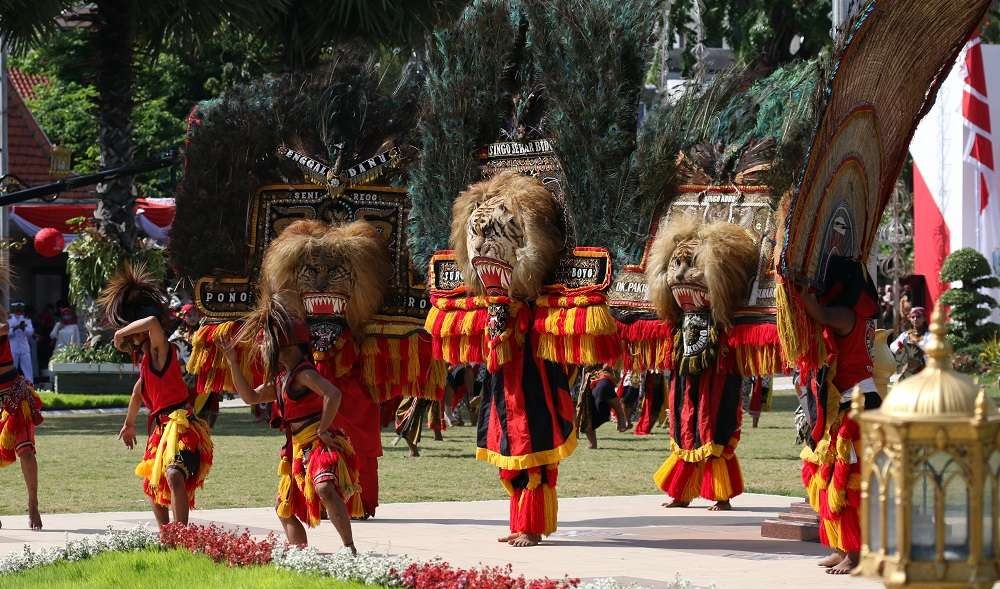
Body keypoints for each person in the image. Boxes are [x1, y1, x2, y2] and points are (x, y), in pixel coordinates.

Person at [223, 296, 357, 552]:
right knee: (283, 509)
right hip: (296, 449)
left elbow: (333, 394)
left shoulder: (305, 373)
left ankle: (349, 548)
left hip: (318, 444)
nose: (264, 351)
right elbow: (250, 396)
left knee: (325, 488)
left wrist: (322, 429)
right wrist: (233, 363)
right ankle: (300, 555)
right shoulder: (282, 378)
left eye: (268, 347)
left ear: (286, 348)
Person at [99, 263, 213, 527]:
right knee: (153, 485)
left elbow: (150, 322)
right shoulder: (145, 361)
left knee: (174, 475)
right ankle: (166, 538)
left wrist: (120, 332)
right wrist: (128, 424)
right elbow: (139, 391)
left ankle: (182, 535)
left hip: (181, 423)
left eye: (132, 330)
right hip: (159, 429)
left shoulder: (163, 350)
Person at [798, 256, 882, 575]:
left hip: (856, 405)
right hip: (846, 403)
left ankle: (855, 554)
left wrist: (800, 286)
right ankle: (841, 546)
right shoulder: (860, 312)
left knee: (845, 481)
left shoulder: (846, 314)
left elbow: (814, 310)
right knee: (827, 474)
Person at [0, 305, 43, 531]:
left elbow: (3, 327)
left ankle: (33, 503)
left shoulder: (3, 327)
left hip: (13, 395)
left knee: (25, 451)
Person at [577, 365, 629, 449]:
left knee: (603, 389)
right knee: (586, 416)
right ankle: (592, 444)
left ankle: (621, 416)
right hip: (586, 381)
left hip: (602, 377)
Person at [890, 306, 929, 380]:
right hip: (907, 369)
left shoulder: (930, 335)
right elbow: (893, 345)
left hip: (925, 370)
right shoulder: (906, 334)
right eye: (913, 317)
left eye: (918, 316)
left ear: (924, 318)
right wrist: (900, 349)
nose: (915, 319)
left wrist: (920, 351)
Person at [8, 302, 34, 383]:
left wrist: (24, 329)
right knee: (12, 368)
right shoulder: (8, 320)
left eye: (20, 307)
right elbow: (6, 334)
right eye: (17, 307)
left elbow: (31, 332)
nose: (18, 309)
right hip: (13, 347)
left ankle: (30, 387)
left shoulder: (26, 319)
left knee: (27, 368)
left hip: (24, 347)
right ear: (13, 308)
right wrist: (15, 328)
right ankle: (10, 387)